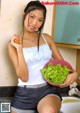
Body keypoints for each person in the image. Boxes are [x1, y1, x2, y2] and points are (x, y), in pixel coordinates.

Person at [8, 1, 78, 113]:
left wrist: (74, 74)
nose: (34, 23)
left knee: (49, 111)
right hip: (24, 94)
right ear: (24, 15)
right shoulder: (13, 45)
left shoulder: (47, 39)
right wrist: (19, 49)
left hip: (47, 92)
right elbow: (24, 78)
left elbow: (63, 65)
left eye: (40, 20)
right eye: (32, 17)